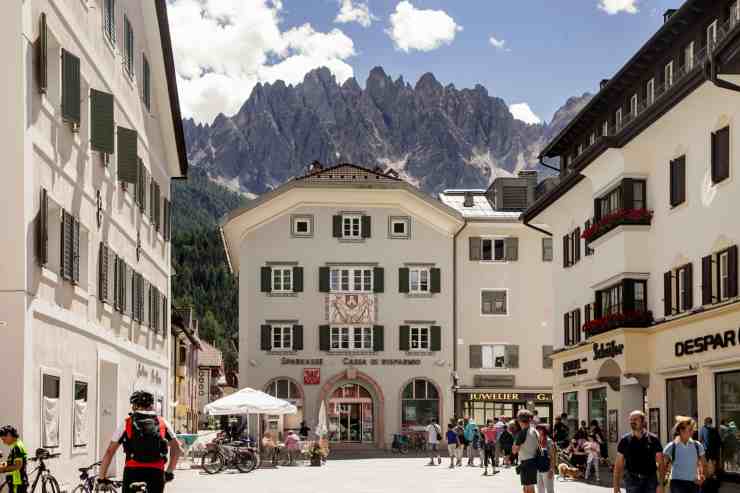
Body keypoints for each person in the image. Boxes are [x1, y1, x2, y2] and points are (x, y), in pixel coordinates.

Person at [99, 391, 181, 493]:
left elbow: (109, 452)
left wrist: (102, 478)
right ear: (151, 405)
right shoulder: (162, 423)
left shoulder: (127, 423)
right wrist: (169, 472)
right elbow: (177, 449)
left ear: (134, 406)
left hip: (133, 471)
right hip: (156, 472)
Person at [613, 410, 664, 493]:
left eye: (635, 419)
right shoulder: (624, 440)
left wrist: (661, 485)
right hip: (632, 481)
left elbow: (661, 463)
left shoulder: (653, 439)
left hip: (650, 481)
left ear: (643, 422)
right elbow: (618, 465)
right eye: (631, 419)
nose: (632, 421)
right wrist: (616, 486)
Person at [662, 416, 705, 493]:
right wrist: (661, 483)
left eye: (693, 429)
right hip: (677, 483)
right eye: (690, 429)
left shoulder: (697, 445)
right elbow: (662, 466)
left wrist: (702, 478)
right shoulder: (671, 446)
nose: (693, 432)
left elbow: (703, 464)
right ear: (681, 430)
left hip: (694, 483)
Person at [513, 410, 540, 493]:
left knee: (528, 488)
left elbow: (514, 451)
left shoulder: (522, 433)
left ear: (519, 420)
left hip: (526, 462)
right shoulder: (535, 431)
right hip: (534, 461)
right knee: (528, 488)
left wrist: (514, 444)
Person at [0, 426, 28, 493]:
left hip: (17, 483)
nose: (3, 442)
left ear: (9, 435)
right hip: (17, 481)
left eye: (4, 439)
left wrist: (3, 469)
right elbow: (13, 462)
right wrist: (4, 464)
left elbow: (17, 466)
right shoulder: (17, 444)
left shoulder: (17, 447)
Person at [536, 424, 557, 493]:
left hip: (547, 469)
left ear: (544, 430)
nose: (538, 431)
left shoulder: (549, 441)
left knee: (549, 490)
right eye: (537, 429)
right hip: (538, 469)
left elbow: (553, 456)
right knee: (540, 490)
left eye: (540, 429)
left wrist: (551, 469)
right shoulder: (537, 440)